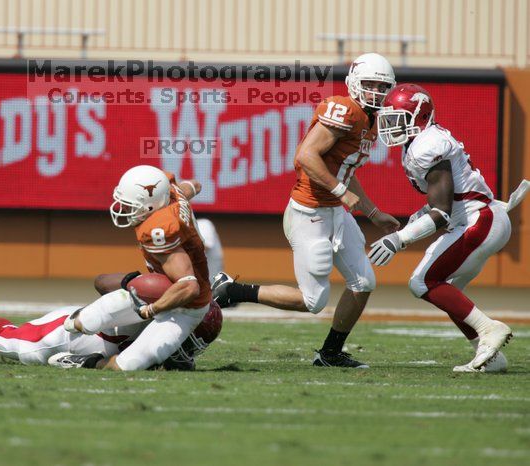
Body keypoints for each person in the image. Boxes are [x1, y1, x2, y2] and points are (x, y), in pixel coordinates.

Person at [212, 53, 399, 368]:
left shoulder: (370, 120)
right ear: (354, 82)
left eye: (382, 86)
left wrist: (373, 212)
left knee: (363, 282)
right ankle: (233, 290)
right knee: (313, 302)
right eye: (370, 84)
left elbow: (346, 173)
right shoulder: (346, 110)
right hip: (309, 213)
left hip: (336, 214)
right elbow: (306, 156)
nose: (376, 92)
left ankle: (330, 354)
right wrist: (339, 192)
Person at [371, 83, 526, 372]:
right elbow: (447, 200)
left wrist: (399, 239)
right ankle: (489, 355)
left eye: (398, 119)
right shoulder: (422, 142)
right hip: (483, 217)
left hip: (479, 220)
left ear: (419, 116)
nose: (390, 126)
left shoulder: (427, 146)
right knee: (449, 290)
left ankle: (490, 329)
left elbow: (441, 213)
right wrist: (414, 220)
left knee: (421, 282)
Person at [57, 165, 212, 371]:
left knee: (128, 365)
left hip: (185, 307)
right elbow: (195, 185)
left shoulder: (159, 229)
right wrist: (189, 190)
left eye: (131, 206)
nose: (125, 210)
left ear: (150, 206)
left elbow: (189, 287)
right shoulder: (171, 192)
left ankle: (87, 362)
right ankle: (82, 322)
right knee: (82, 322)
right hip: (162, 289)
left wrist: (151, 310)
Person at [0, 288, 222, 371]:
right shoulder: (155, 306)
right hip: (73, 333)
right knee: (15, 346)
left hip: (95, 347)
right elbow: (105, 284)